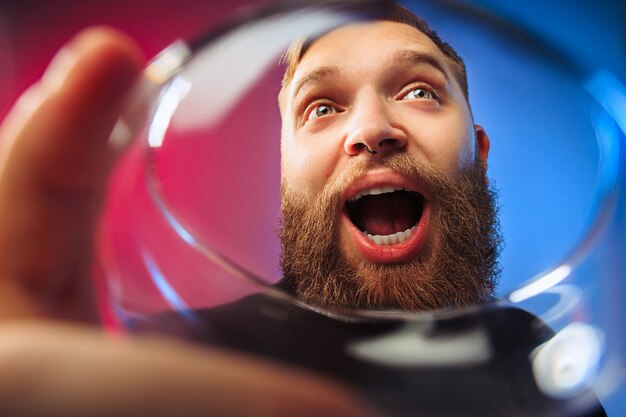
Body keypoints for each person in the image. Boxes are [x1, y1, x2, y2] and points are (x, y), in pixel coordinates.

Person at [0, 3, 606, 417]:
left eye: (419, 92)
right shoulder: (182, 356)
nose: (372, 130)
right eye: (322, 107)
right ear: (287, 172)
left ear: (477, 152)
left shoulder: (544, 364)